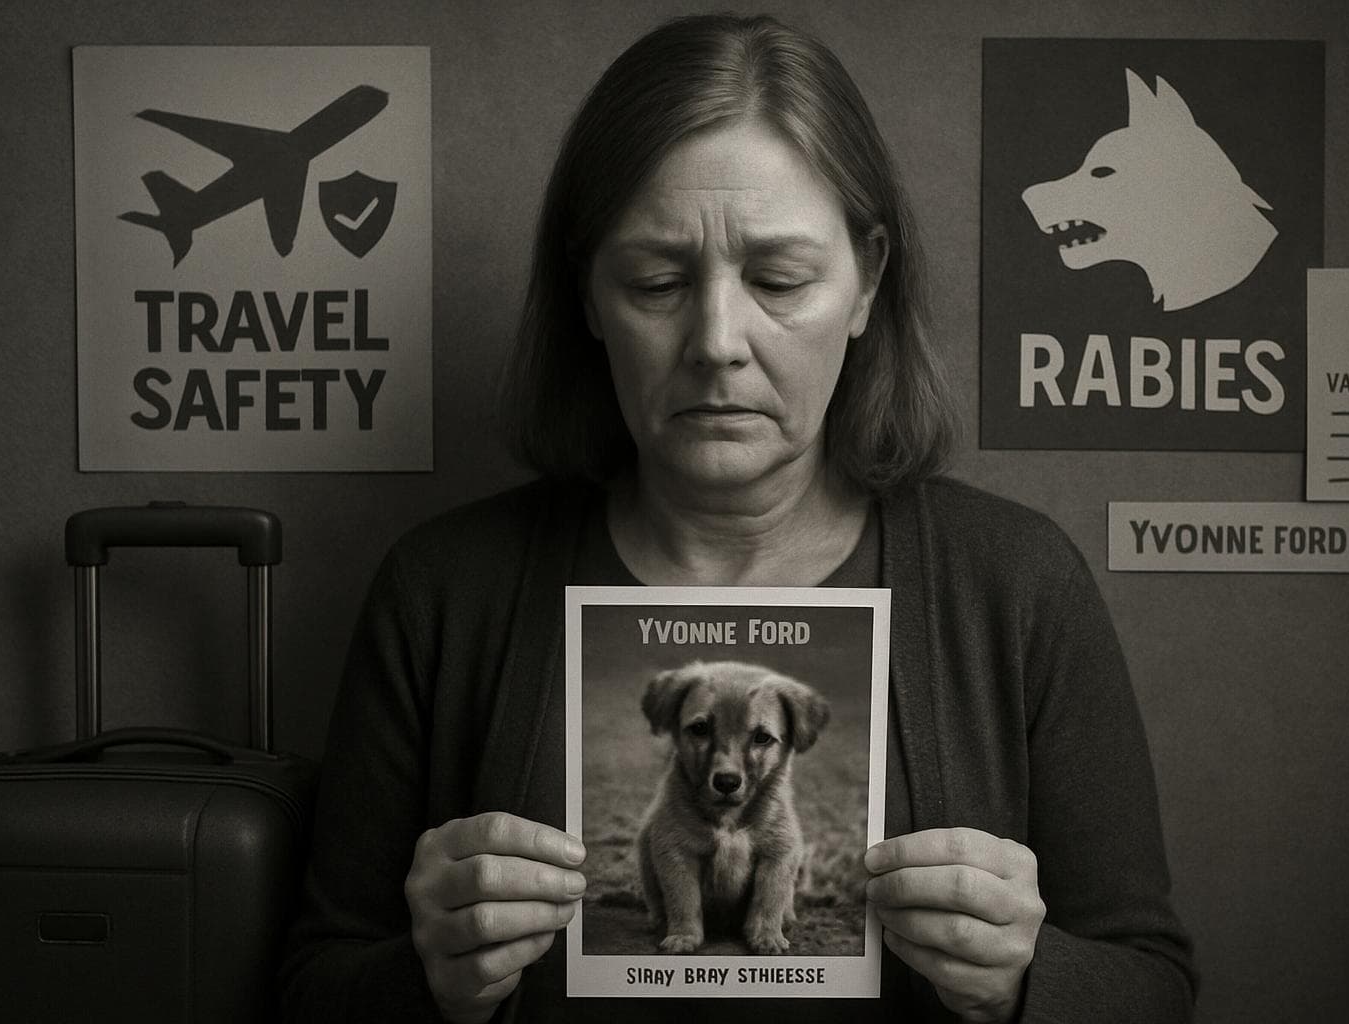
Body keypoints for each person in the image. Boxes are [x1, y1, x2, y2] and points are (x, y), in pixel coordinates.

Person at [280, 13, 1196, 1023]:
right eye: (657, 281)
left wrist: (1030, 981)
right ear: (588, 292)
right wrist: (429, 976)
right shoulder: (445, 591)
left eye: (778, 278)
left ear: (867, 281)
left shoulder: (1016, 586)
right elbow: (316, 987)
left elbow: (1152, 984)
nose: (717, 339)